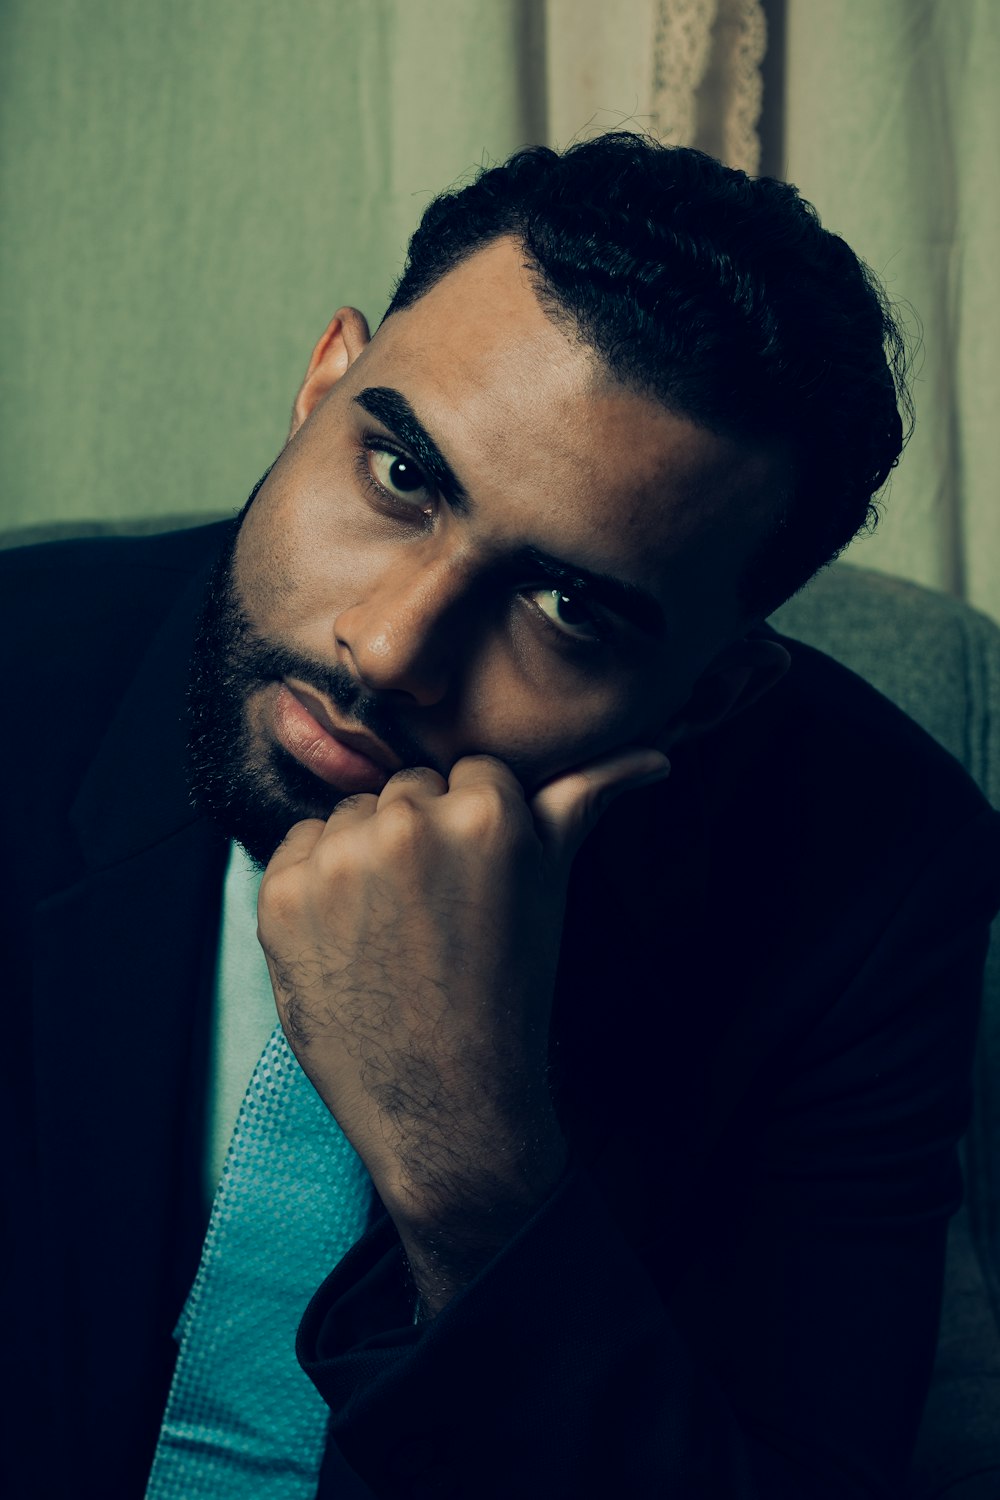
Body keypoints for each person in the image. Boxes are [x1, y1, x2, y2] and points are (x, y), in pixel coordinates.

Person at [4, 133, 999, 1500]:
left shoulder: (874, 878)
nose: (394, 648)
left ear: (710, 695)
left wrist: (471, 1174)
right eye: (403, 477)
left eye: (568, 607)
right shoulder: (19, 679)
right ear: (321, 384)